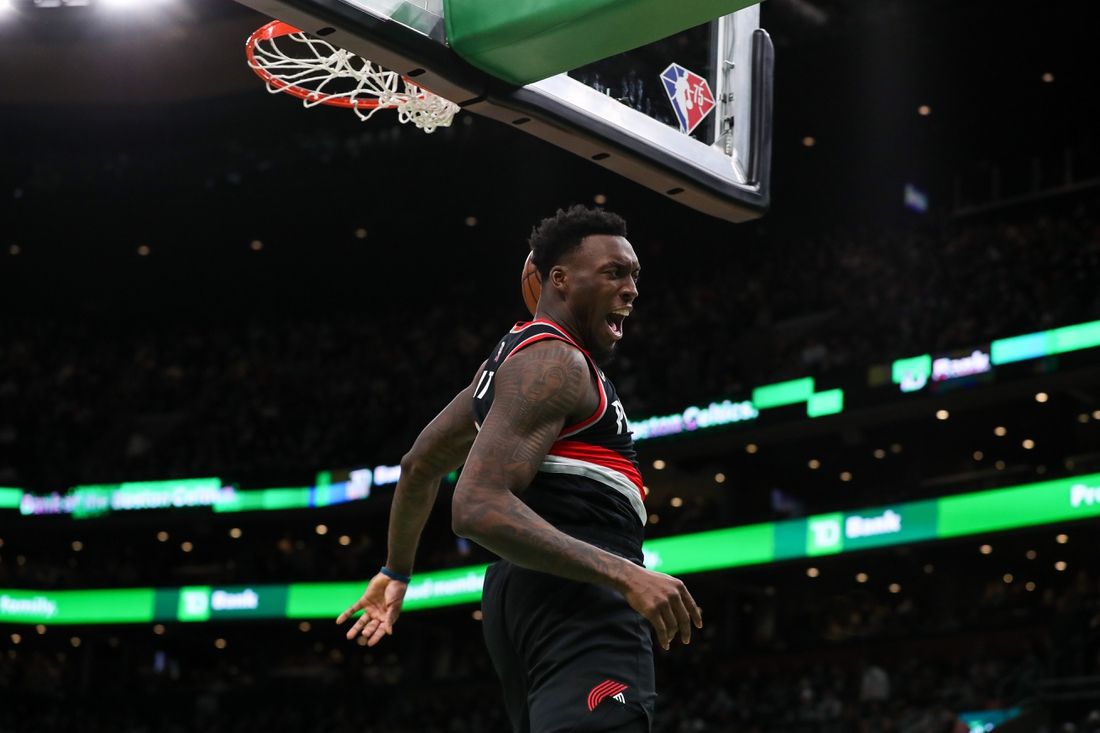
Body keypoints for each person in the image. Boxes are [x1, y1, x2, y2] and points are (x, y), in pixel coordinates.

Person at [338, 206, 702, 733]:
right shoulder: (553, 362)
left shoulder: (509, 361)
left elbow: (419, 465)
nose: (631, 290)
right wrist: (626, 574)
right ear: (558, 279)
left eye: (634, 276)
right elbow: (476, 506)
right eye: (614, 273)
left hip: (524, 593)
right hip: (579, 595)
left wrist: (396, 571)